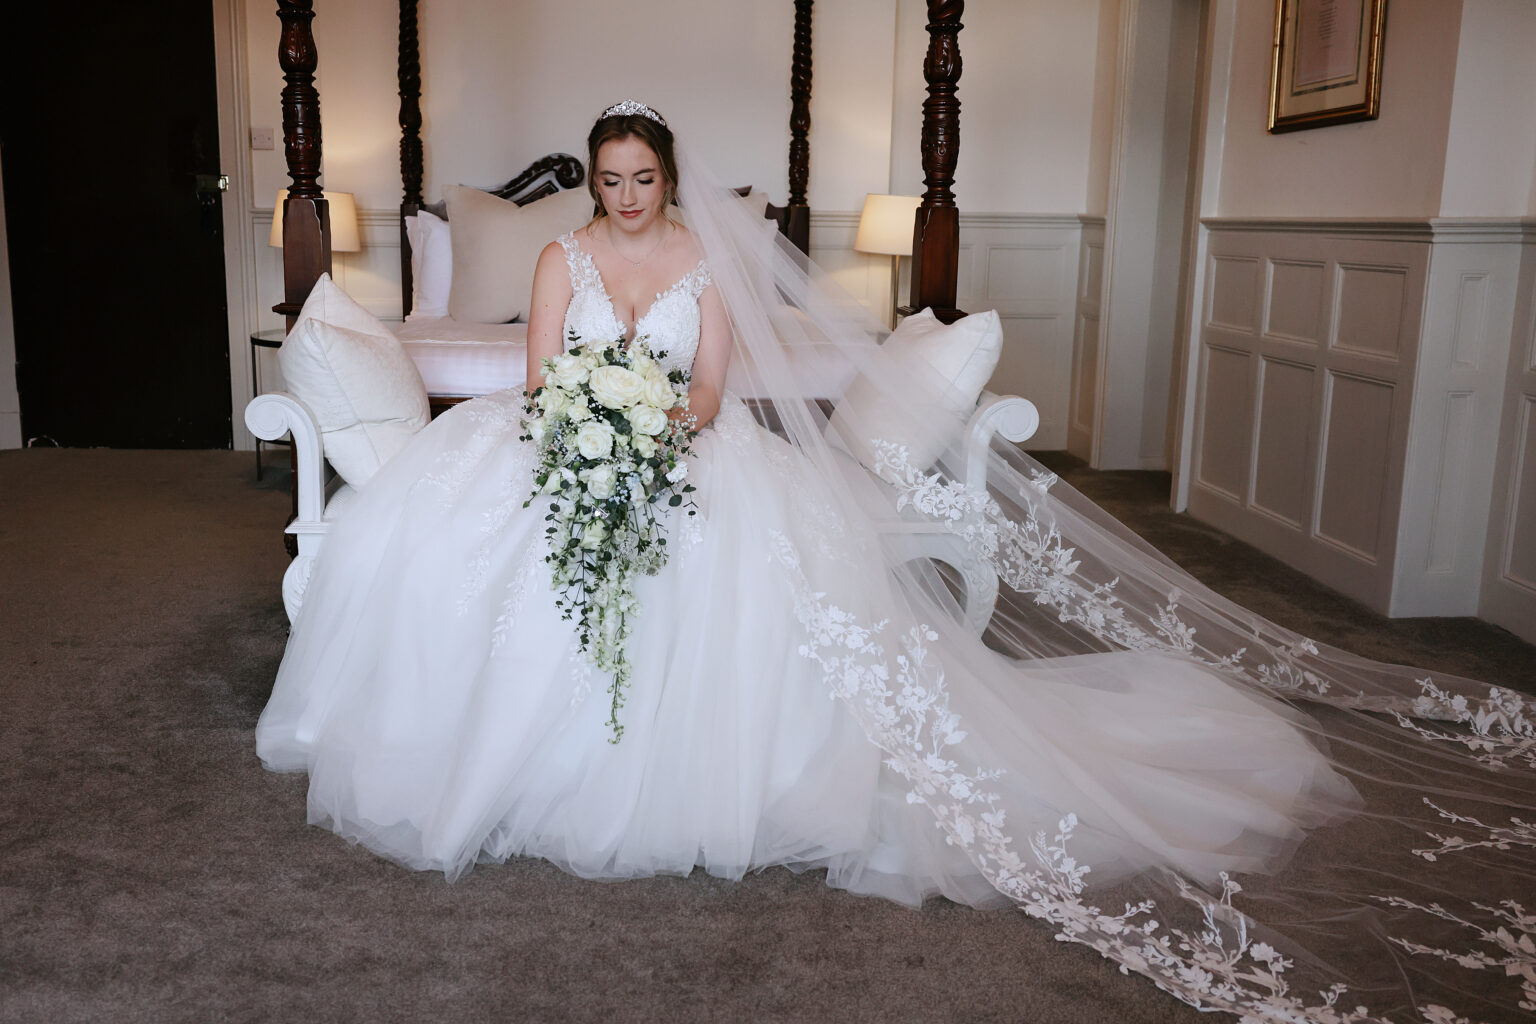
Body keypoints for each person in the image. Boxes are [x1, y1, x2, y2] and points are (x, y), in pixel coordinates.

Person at [257, 102, 1535, 1023]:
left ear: (669, 179)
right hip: (567, 437)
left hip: (677, 444)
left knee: (732, 567)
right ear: (590, 181)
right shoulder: (558, 255)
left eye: (645, 176)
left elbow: (710, 391)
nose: (628, 194)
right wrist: (589, 419)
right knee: (456, 548)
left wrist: (646, 428)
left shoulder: (706, 257)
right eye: (611, 176)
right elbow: (539, 381)